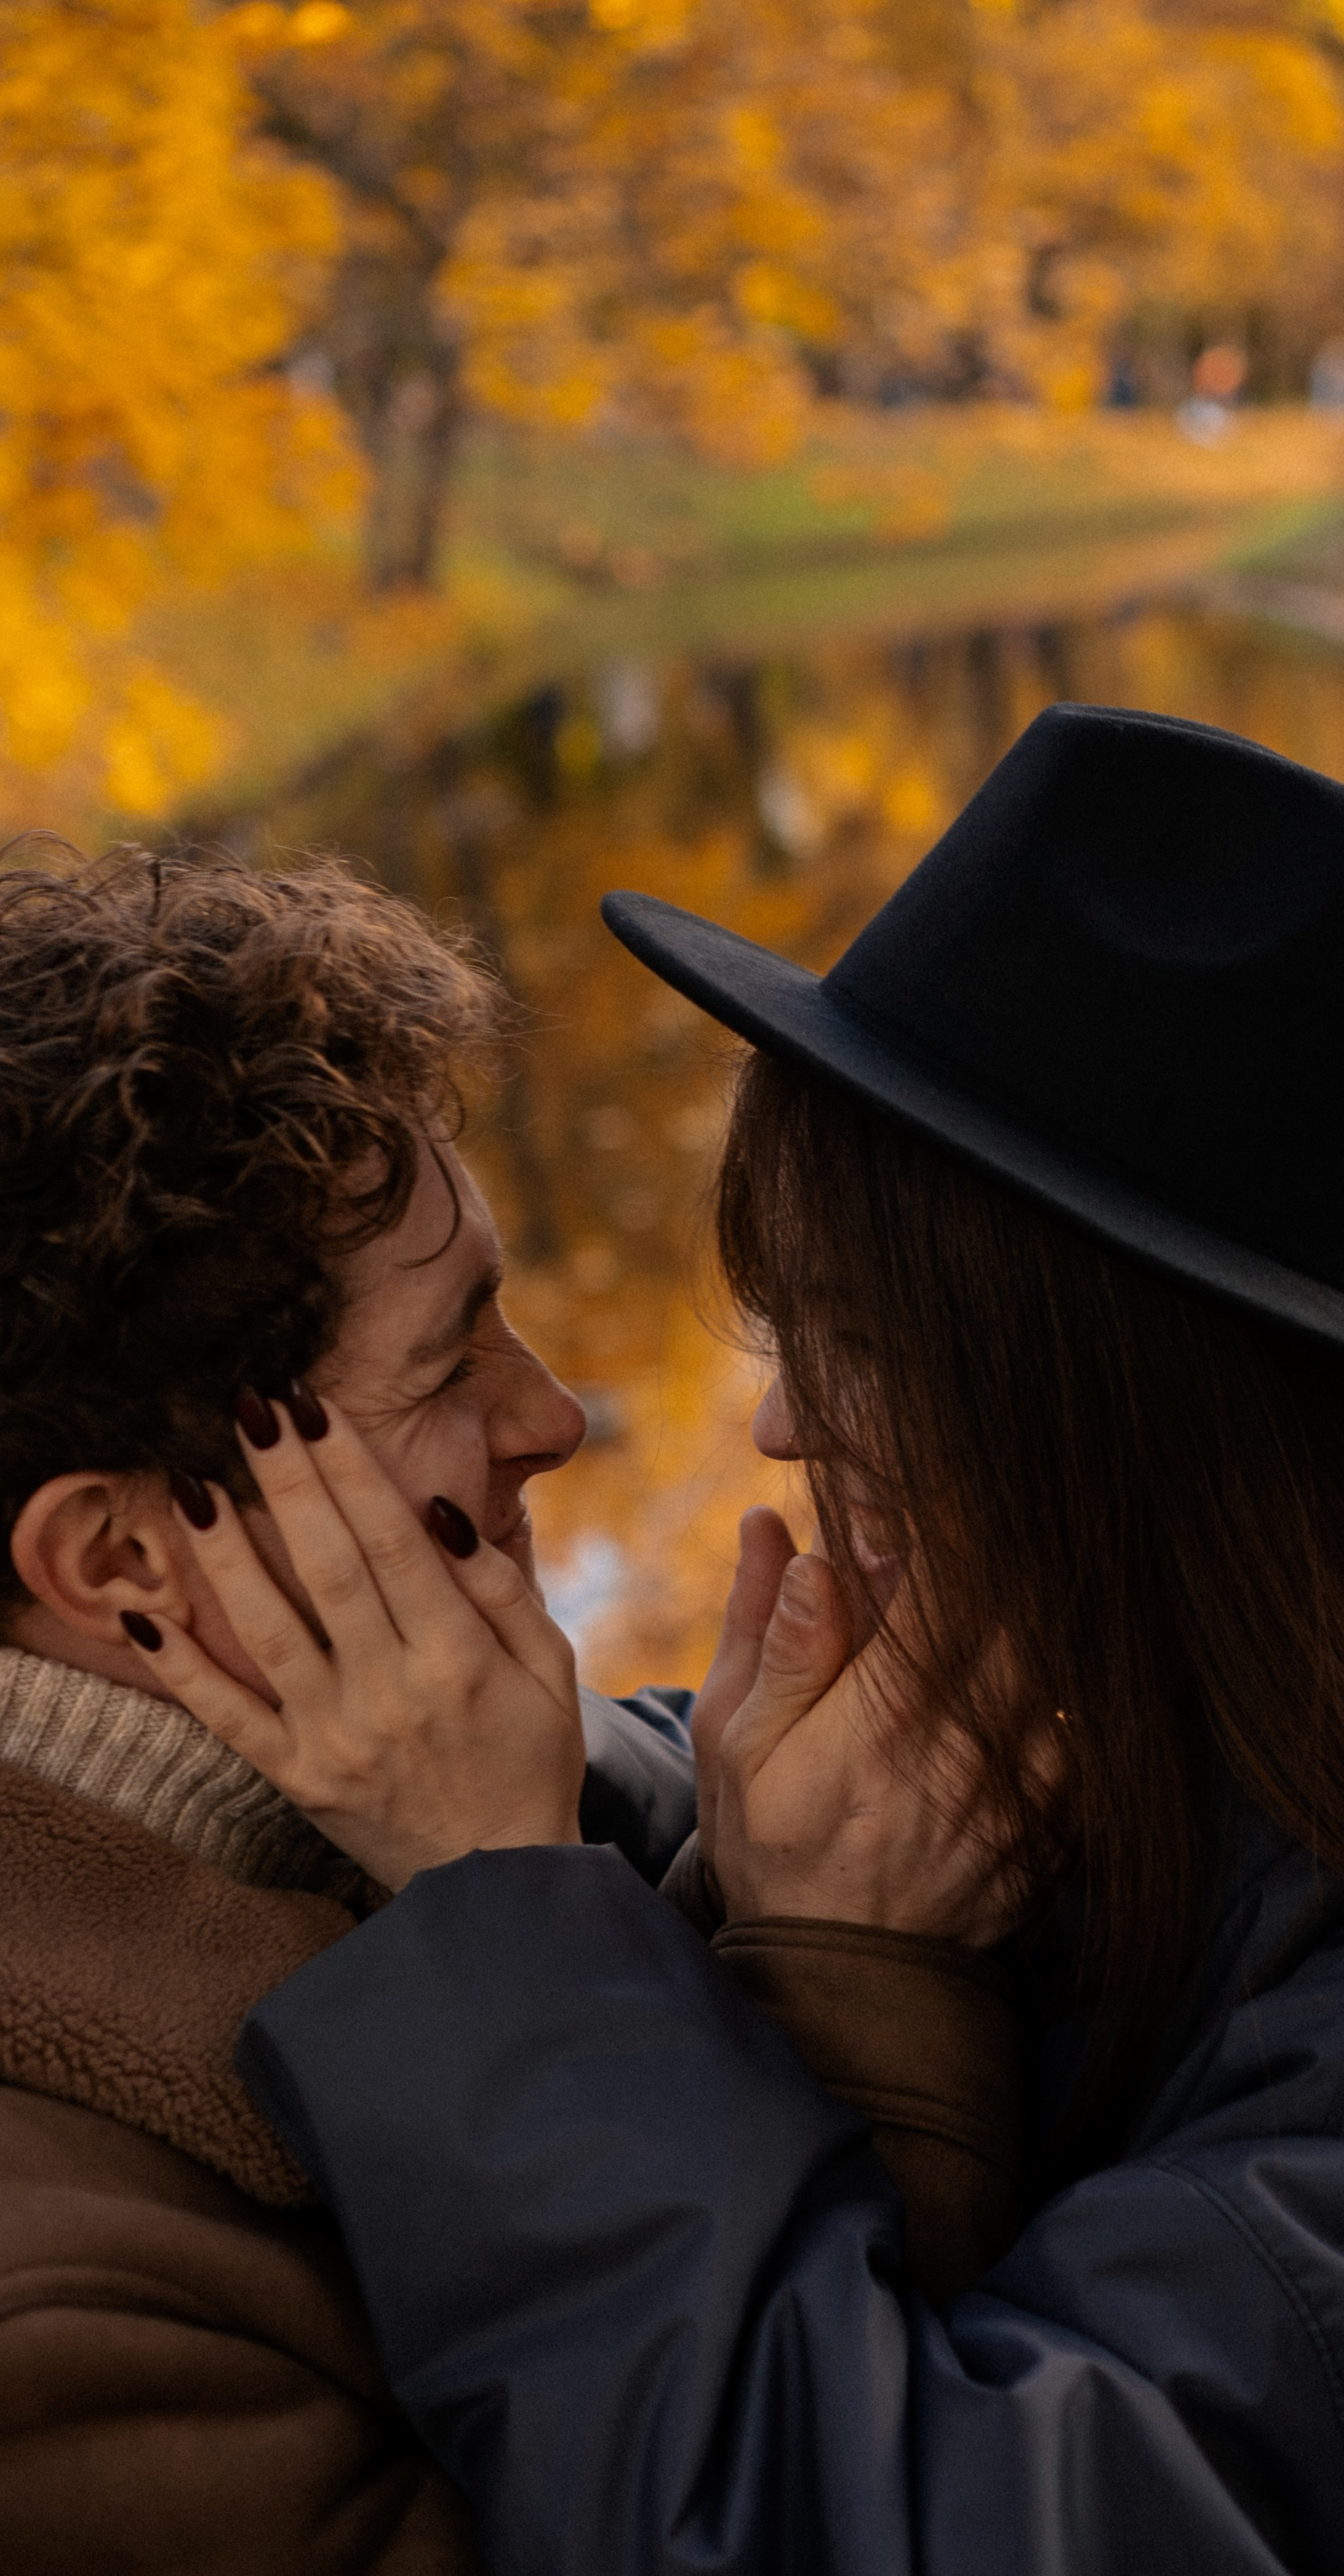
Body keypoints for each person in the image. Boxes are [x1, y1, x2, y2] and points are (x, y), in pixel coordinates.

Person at [142, 707, 1344, 2575]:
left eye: (858, 1343)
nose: (788, 1432)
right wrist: (487, 1752)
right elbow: (743, 1778)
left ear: (1124, 1410)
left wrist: (501, 1900)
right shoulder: (1192, 1749)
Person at [0, 849, 720, 2571]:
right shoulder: (51, 2325)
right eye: (450, 1357)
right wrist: (871, 1980)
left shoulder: (376, 1783)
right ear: (120, 1559)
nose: (553, 1418)